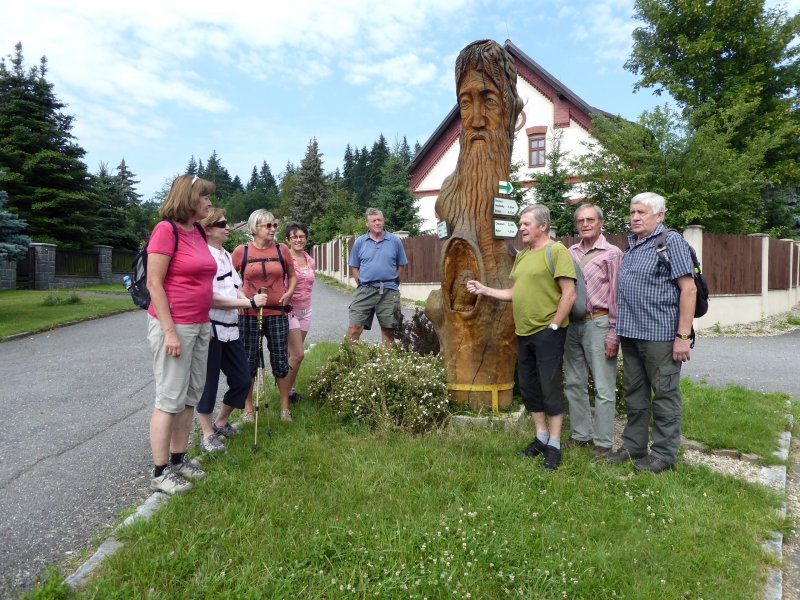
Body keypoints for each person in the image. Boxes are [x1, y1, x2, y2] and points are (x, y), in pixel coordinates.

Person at [467, 204, 576, 471]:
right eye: (521, 224)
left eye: (527, 223)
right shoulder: (524, 255)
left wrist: (554, 326)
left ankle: (555, 444)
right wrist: (485, 290)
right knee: (529, 387)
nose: (522, 228)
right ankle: (540, 437)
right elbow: (514, 292)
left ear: (543, 226)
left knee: (550, 387)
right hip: (523, 333)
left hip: (547, 333)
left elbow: (569, 293)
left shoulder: (556, 251)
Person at [609, 192, 697, 473]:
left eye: (641, 212)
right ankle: (634, 446)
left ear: (659, 216)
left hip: (659, 335)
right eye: (632, 212)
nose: (635, 217)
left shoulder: (669, 241)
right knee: (634, 394)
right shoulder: (632, 244)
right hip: (631, 334)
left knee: (665, 394)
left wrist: (683, 337)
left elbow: (689, 289)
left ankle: (663, 454)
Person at [146, 174, 217, 495]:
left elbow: (202, 284)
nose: (209, 203)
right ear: (189, 198)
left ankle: (179, 460)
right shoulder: (166, 231)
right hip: (175, 327)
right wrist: (169, 331)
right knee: (169, 399)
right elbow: (154, 284)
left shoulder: (198, 232)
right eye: (204, 197)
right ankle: (160, 472)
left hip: (200, 325)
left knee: (190, 397)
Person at [195, 208, 268, 453]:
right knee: (209, 383)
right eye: (222, 224)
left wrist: (248, 298)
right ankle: (206, 436)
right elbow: (211, 298)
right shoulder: (202, 257)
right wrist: (247, 303)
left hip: (231, 328)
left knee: (243, 379)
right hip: (211, 329)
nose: (228, 227)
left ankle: (220, 422)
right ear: (207, 229)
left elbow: (235, 286)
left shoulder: (225, 255)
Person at [563, 204, 623, 459]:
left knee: (603, 386)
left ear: (601, 223)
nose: (585, 224)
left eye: (590, 219)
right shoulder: (569, 253)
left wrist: (613, 333)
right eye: (580, 220)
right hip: (572, 325)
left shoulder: (612, 254)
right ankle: (581, 436)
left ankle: (603, 443)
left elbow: (618, 296)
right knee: (574, 383)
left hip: (599, 323)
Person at [232, 210, 297, 423]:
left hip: (277, 313)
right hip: (248, 314)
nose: (272, 229)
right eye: (267, 226)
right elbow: (230, 282)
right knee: (248, 360)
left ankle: (285, 408)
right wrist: (241, 300)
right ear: (254, 229)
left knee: (280, 359)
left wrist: (288, 293)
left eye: (274, 225)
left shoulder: (282, 250)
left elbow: (292, 275)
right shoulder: (241, 252)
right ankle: (248, 409)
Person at [347, 208, 408, 344]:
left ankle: (386, 363)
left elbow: (401, 265)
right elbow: (355, 267)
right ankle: (349, 361)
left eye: (379, 220)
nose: (377, 223)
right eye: (373, 220)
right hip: (365, 290)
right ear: (367, 223)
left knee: (388, 331)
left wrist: (393, 284)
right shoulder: (360, 242)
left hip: (388, 290)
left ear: (383, 221)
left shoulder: (394, 241)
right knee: (354, 327)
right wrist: (361, 284)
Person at [285, 222, 315, 404]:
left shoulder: (309, 259)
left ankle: (291, 390)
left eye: (302, 236)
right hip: (290, 311)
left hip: (306, 310)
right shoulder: (285, 258)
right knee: (297, 353)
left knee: (295, 355)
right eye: (294, 237)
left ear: (306, 239)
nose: (298, 240)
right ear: (288, 240)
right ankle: (284, 393)